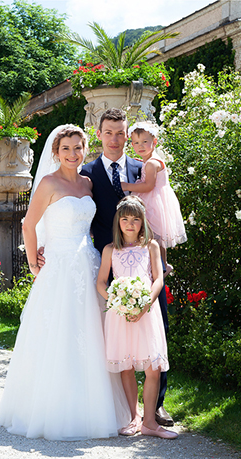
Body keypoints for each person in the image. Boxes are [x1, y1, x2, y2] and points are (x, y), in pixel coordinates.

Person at [0, 125, 131, 440]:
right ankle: (53, 407)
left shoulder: (87, 183)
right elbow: (29, 225)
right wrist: (34, 265)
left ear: (85, 149)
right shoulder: (48, 183)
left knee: (92, 336)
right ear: (55, 153)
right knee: (59, 334)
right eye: (66, 149)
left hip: (89, 266)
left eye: (78, 147)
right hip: (58, 268)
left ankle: (97, 406)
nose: (73, 154)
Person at [79, 108, 174, 428]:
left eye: (121, 133)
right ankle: (126, 409)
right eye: (109, 133)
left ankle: (155, 407)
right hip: (110, 261)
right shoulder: (87, 173)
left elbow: (159, 208)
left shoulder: (143, 167)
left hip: (148, 263)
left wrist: (158, 254)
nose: (116, 139)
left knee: (156, 331)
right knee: (118, 339)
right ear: (99, 134)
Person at [97, 196, 178, 439]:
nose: (130, 224)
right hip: (120, 314)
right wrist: (116, 301)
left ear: (142, 222)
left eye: (135, 219)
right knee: (127, 365)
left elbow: (158, 278)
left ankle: (150, 422)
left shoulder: (150, 246)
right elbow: (101, 282)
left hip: (147, 312)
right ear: (118, 222)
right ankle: (134, 418)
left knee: (153, 367)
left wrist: (146, 303)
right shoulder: (110, 250)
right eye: (125, 219)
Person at [121, 121, 187, 277]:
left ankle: (161, 265)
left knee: (153, 235)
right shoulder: (151, 160)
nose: (140, 146)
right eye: (136, 143)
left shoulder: (151, 163)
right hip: (158, 199)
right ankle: (164, 264)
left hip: (153, 200)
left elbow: (148, 186)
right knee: (157, 236)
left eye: (145, 142)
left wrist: (126, 186)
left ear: (154, 142)